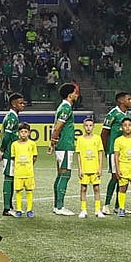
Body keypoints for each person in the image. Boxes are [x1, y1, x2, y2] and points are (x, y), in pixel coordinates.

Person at [50, 83, 80, 216]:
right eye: (75, 92)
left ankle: (57, 205)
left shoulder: (62, 107)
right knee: (65, 174)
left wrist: (53, 143)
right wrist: (54, 141)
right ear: (70, 95)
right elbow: (57, 127)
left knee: (60, 175)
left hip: (62, 145)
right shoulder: (66, 108)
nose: (77, 95)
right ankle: (60, 206)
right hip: (65, 145)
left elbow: (55, 128)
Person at [102, 92, 131, 212]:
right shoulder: (112, 114)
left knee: (123, 178)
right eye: (129, 99)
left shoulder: (128, 115)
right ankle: (106, 205)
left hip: (125, 152)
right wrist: (106, 151)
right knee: (115, 177)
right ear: (121, 101)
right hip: (113, 151)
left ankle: (119, 206)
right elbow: (104, 134)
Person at [0, 93, 26, 216]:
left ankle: (9, 206)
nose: (23, 105)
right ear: (13, 104)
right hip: (9, 154)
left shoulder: (13, 117)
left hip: (12, 153)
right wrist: (2, 150)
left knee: (11, 178)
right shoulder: (12, 118)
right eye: (20, 103)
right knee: (9, 179)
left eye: (23, 103)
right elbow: (7, 136)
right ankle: (7, 208)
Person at [75, 115, 105, 219]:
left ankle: (98, 210)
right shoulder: (80, 139)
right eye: (86, 125)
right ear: (83, 126)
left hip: (95, 168)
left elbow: (100, 153)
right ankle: (83, 210)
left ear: (94, 126)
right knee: (83, 189)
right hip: (85, 169)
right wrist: (80, 169)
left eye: (90, 125)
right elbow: (78, 155)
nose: (88, 127)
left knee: (96, 188)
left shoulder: (97, 138)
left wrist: (100, 168)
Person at [11, 124, 37, 218]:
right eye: (21, 132)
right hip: (18, 172)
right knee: (18, 191)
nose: (23, 134)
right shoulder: (14, 144)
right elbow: (13, 158)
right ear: (19, 133)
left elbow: (34, 157)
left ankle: (29, 210)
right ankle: (19, 210)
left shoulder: (32, 144)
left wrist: (29, 165)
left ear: (29, 133)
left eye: (25, 132)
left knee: (29, 190)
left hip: (28, 172)